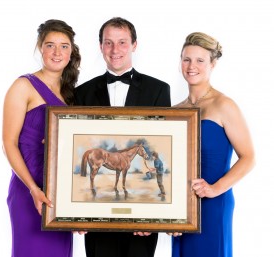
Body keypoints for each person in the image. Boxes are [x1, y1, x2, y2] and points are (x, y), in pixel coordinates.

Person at [74, 17, 171, 257]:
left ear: (135, 45)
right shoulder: (82, 92)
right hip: (96, 218)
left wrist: (156, 218)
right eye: (108, 43)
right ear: (100, 46)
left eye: (122, 42)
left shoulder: (158, 90)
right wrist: (75, 209)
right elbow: (74, 146)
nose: (115, 50)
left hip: (143, 222)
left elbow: (165, 147)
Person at [171, 32, 255, 257]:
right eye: (186, 59)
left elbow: (248, 157)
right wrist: (169, 210)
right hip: (183, 206)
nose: (191, 66)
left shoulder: (224, 105)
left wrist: (214, 189)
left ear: (213, 64)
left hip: (214, 203)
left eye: (200, 60)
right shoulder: (175, 110)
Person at [2, 19, 81, 257]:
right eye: (50, 45)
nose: (57, 52)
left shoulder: (71, 94)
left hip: (59, 194)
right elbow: (9, 143)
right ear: (40, 47)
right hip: (29, 191)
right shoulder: (23, 86)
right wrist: (34, 189)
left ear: (71, 51)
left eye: (64, 46)